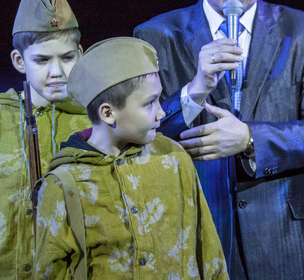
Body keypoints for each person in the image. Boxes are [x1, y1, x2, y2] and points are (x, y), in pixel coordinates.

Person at [134, 0, 304, 279]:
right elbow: (141, 138)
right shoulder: (155, 36)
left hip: (288, 241)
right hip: (196, 231)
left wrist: (249, 139)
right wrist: (195, 90)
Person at [33, 37, 228, 279]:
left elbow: (210, 255)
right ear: (108, 113)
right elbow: (51, 271)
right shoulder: (63, 185)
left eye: (159, 99)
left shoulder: (173, 158)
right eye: (149, 103)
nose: (161, 112)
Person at [0, 0, 91, 279]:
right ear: (19, 61)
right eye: (42, 60)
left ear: (81, 54)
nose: (57, 71)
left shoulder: (97, 123)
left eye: (67, 57)